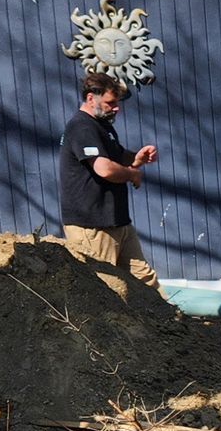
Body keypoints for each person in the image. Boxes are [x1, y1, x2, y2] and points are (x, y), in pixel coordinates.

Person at [60, 70, 160, 285]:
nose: (116, 108)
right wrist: (132, 174)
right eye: (110, 103)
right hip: (92, 226)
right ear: (90, 98)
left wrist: (137, 158)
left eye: (117, 103)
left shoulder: (102, 127)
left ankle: (169, 320)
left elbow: (117, 156)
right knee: (105, 286)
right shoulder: (81, 126)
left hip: (116, 221)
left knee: (144, 279)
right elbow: (104, 168)